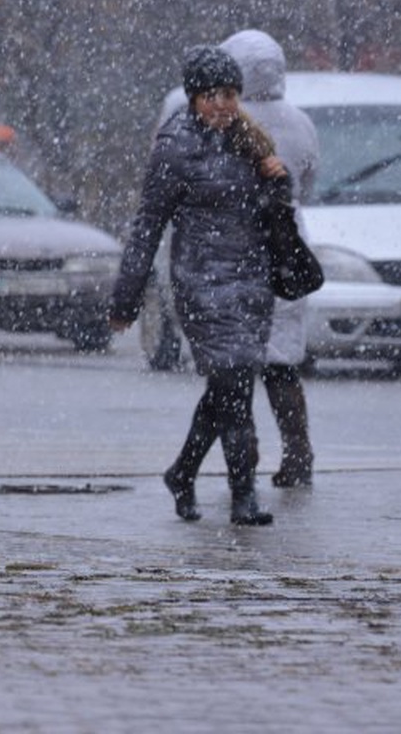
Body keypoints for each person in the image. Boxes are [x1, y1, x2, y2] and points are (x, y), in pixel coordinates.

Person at [110, 46, 292, 526]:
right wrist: (126, 297)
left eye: (230, 94)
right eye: (211, 95)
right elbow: (148, 224)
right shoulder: (174, 146)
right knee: (233, 386)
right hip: (201, 283)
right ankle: (243, 495)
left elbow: (275, 214)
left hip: (251, 284)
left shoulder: (252, 142)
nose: (221, 104)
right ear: (193, 98)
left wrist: (277, 180)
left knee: (228, 387)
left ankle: (183, 471)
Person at [149, 31, 321, 484]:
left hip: (218, 252)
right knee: (282, 360)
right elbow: (306, 181)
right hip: (283, 247)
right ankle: (297, 451)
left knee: (228, 369)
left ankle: (234, 459)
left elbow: (165, 172)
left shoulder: (193, 112)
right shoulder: (300, 123)